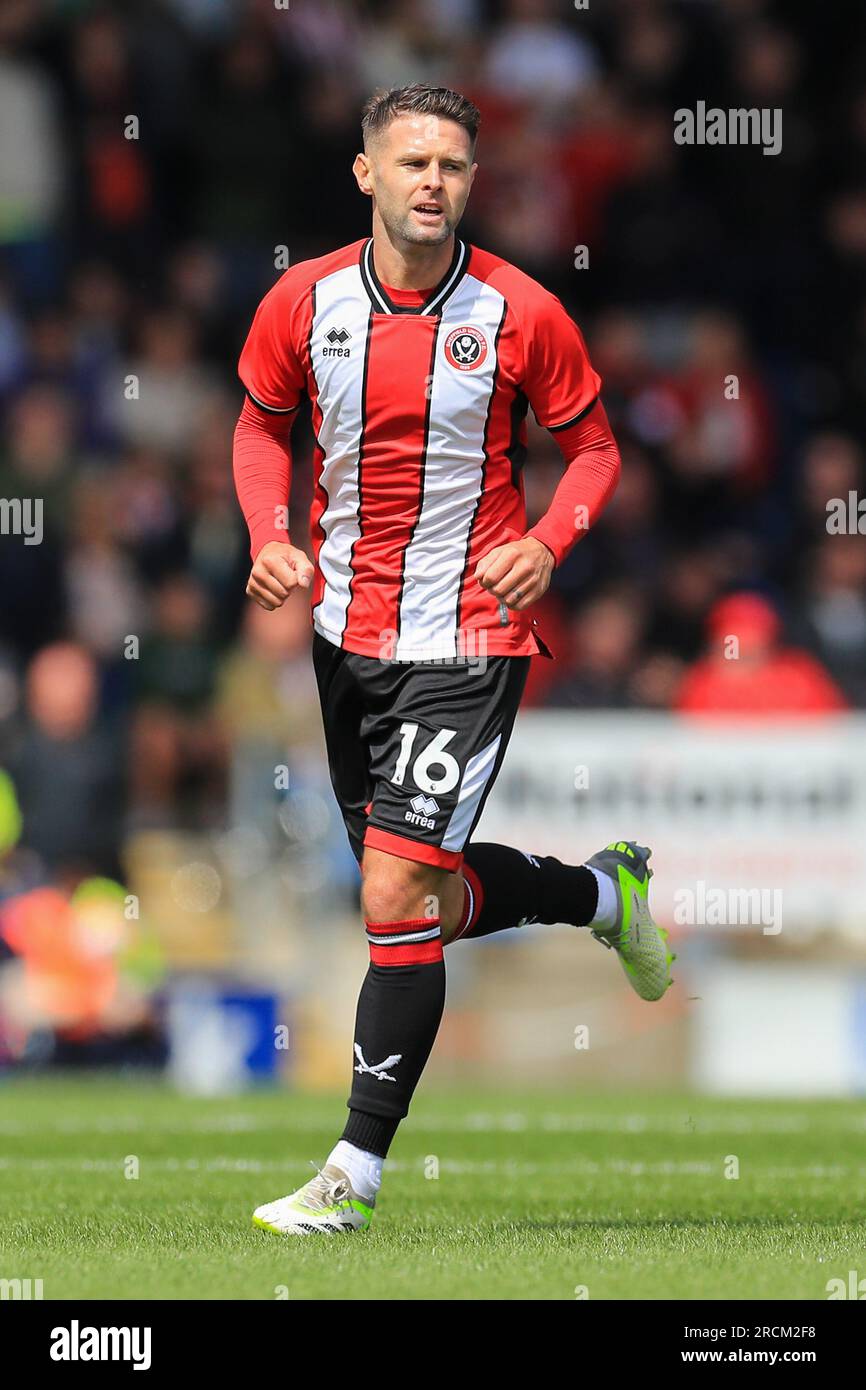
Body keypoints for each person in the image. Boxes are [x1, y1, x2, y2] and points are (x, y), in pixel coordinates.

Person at [232, 84, 674, 1237]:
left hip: (469, 635)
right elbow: (257, 421)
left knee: (389, 889)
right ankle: (597, 891)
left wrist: (545, 541)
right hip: (346, 637)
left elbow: (592, 449)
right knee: (411, 898)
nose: (433, 180)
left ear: (472, 181)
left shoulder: (520, 310)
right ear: (366, 174)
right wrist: (267, 536)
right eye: (412, 161)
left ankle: (353, 1173)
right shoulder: (303, 298)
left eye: (454, 165)